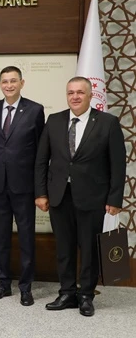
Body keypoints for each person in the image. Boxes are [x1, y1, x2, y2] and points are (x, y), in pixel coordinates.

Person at [35, 76, 126, 317]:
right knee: (64, 248)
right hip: (59, 196)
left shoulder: (107, 122)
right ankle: (66, 292)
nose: (75, 97)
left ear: (90, 95)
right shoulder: (54, 120)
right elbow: (41, 160)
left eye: (80, 92)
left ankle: (86, 295)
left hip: (93, 197)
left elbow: (118, 164)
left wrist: (115, 199)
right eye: (71, 92)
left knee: (89, 249)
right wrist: (41, 193)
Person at [0, 66, 44, 306]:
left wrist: (40, 189)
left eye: (13, 81)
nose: (9, 85)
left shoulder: (35, 110)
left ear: (22, 83)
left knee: (26, 239)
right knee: (2, 239)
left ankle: (26, 287)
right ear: (0, 84)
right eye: (5, 81)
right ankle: (3, 284)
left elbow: (40, 153)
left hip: (24, 186)